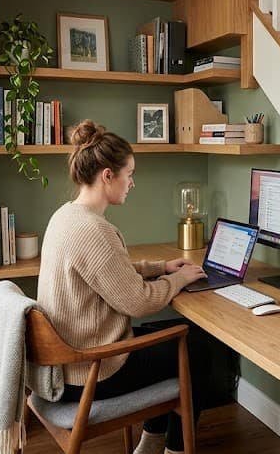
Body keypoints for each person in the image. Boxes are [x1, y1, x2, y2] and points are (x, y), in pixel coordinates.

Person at [36, 120, 208, 454]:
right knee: (198, 349)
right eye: (129, 174)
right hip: (92, 371)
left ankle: (150, 444)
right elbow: (139, 302)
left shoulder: (65, 216)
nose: (132, 183)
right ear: (107, 175)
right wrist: (179, 279)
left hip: (67, 363)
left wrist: (160, 267)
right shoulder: (95, 230)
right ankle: (172, 450)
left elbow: (108, 271)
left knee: (171, 335)